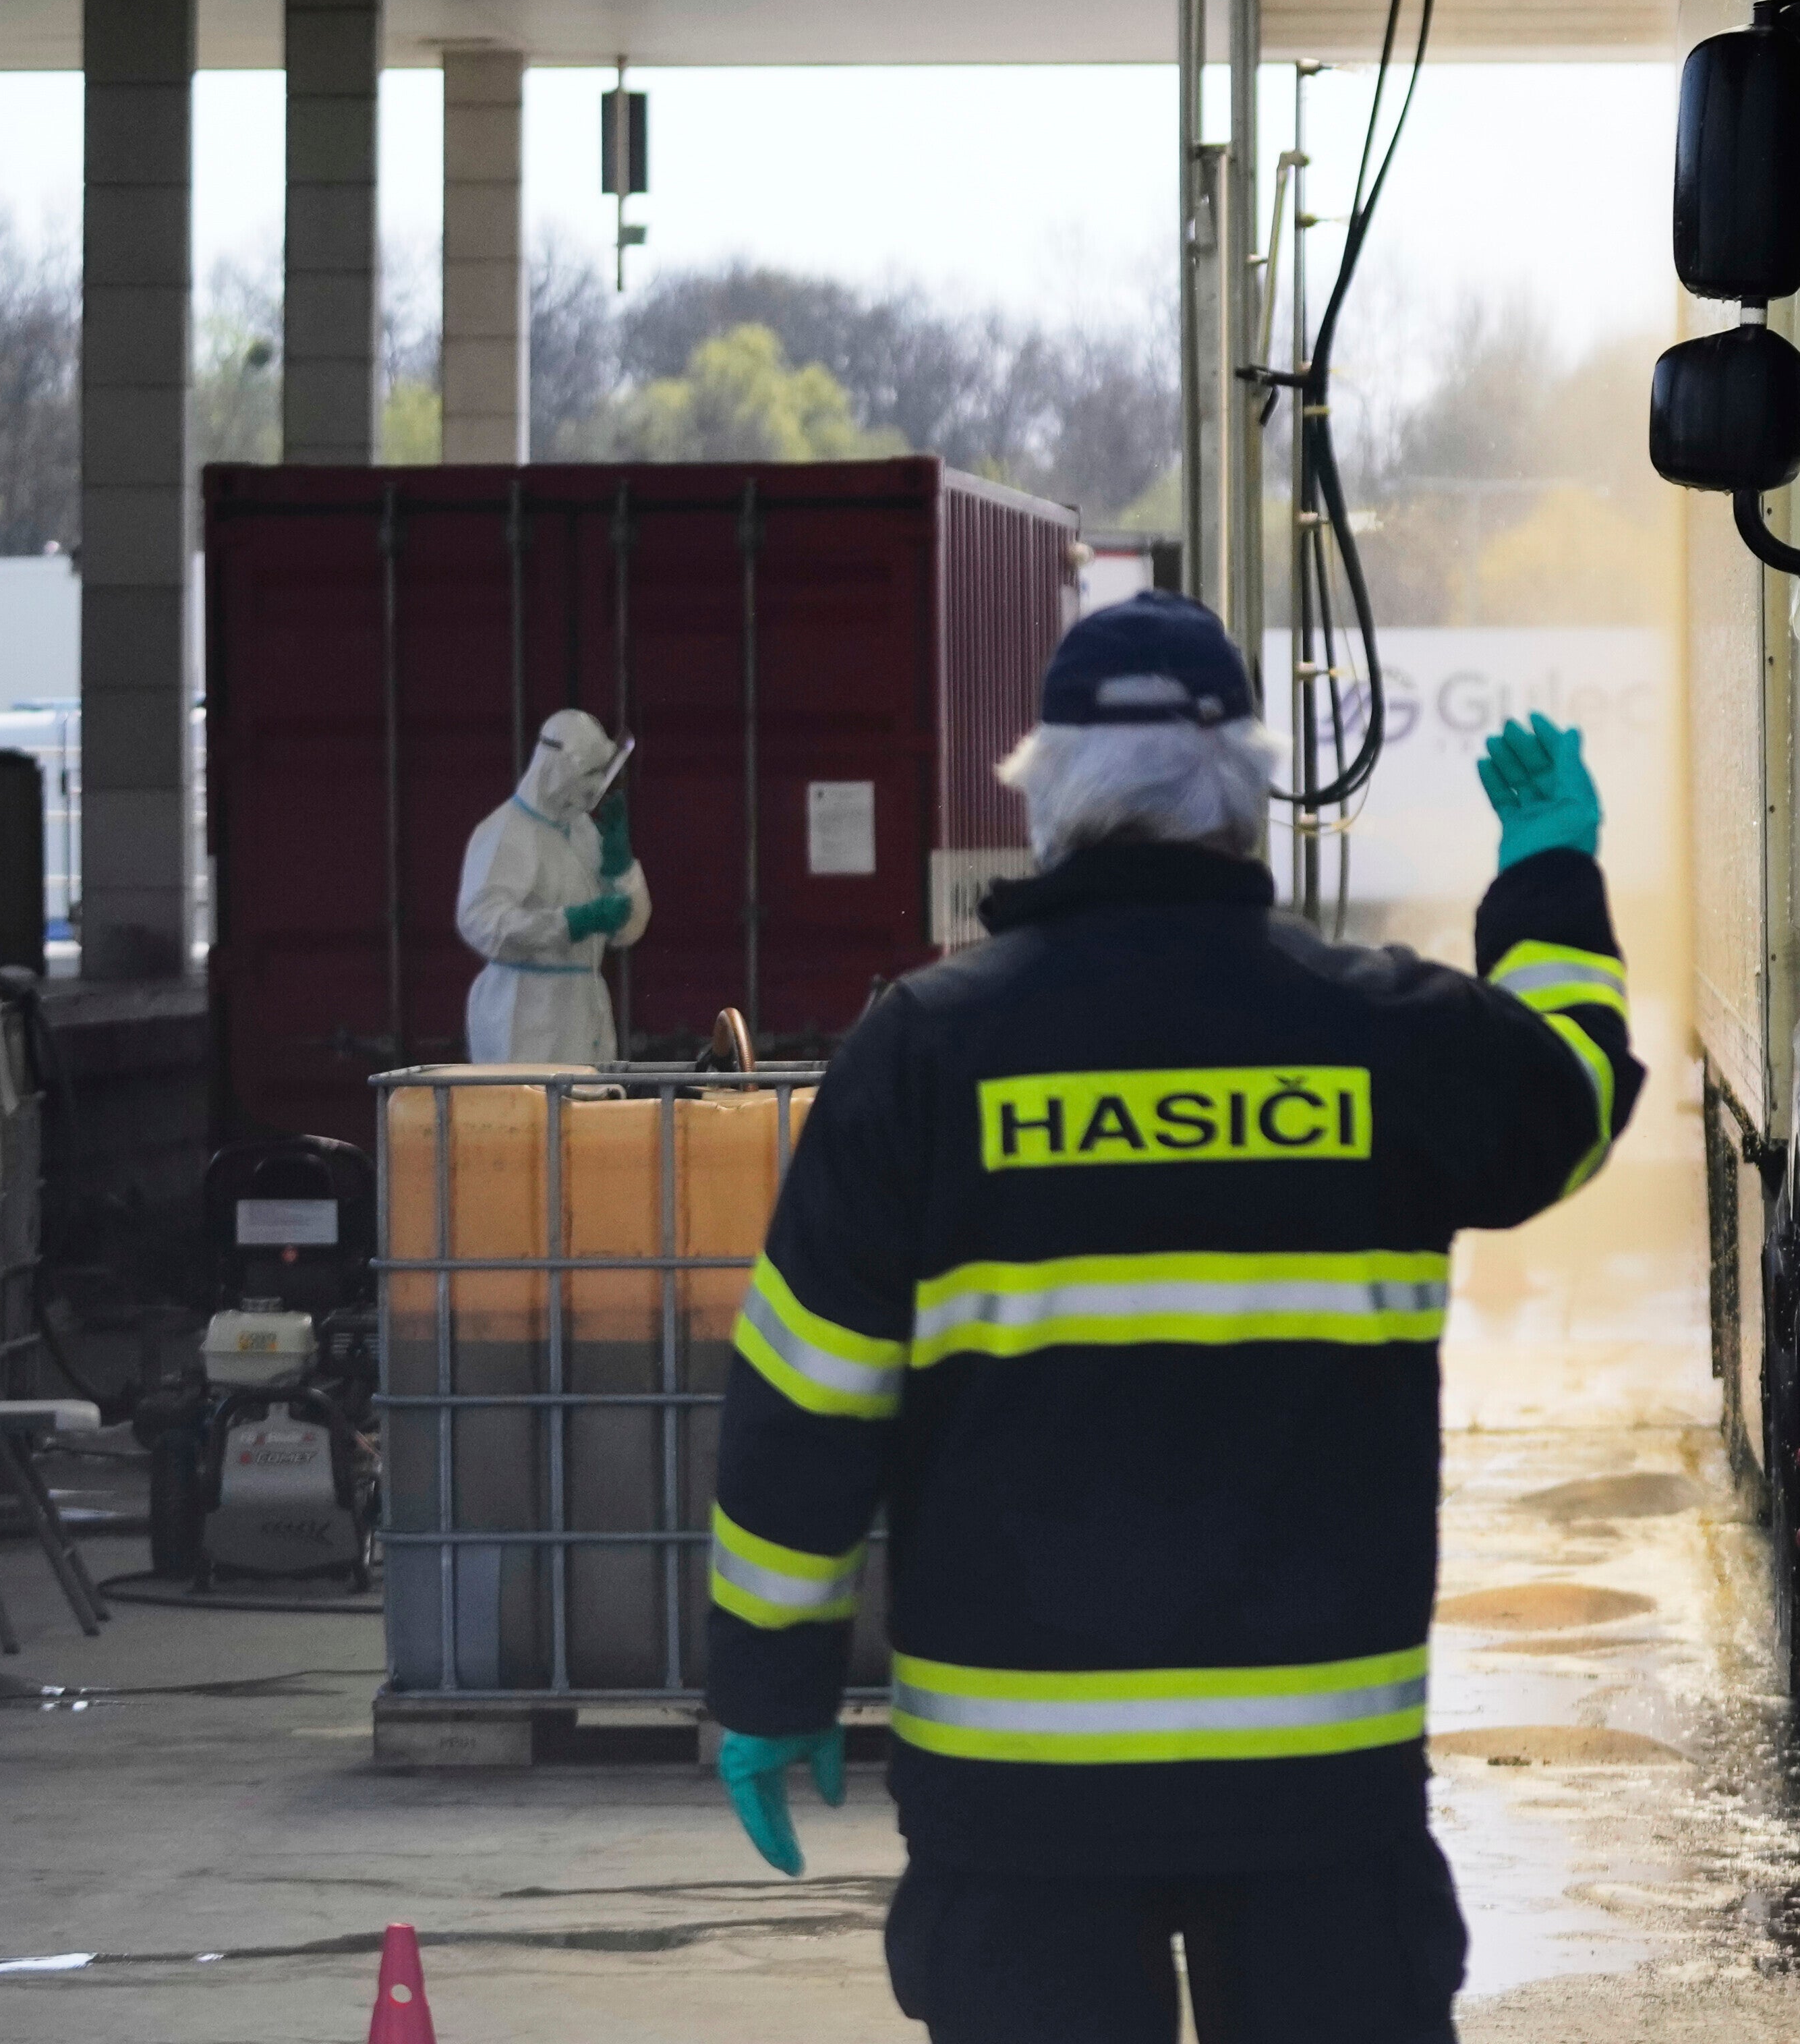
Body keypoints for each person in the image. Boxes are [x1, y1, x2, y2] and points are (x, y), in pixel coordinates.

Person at [698, 591, 1636, 2044]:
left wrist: (769, 1676)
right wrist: (1552, 874)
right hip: (1317, 1794)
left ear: (1052, 794)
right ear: (1246, 789)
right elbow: (1566, 1100)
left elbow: (806, 1396)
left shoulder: (927, 1053)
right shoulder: (1376, 1034)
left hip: (1019, 1800)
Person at [455, 709, 649, 1064]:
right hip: (524, 1012)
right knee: (525, 1116)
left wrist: (622, 871)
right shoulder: (506, 833)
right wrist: (567, 924)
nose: (595, 786)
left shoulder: (582, 832)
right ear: (553, 766)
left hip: (580, 1008)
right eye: (588, 773)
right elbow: (481, 923)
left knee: (588, 1112)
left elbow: (627, 929)